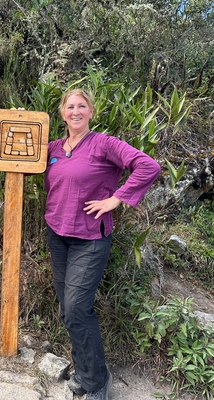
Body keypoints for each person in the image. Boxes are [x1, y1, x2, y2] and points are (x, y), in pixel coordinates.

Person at [44, 88, 160, 400]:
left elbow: (148, 166)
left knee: (78, 308)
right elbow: (11, 148)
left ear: (91, 112)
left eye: (82, 106)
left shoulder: (104, 144)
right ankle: (84, 374)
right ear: (62, 113)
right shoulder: (53, 147)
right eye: (70, 106)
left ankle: (96, 383)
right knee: (69, 311)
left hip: (90, 239)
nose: (76, 111)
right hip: (58, 235)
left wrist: (116, 199)